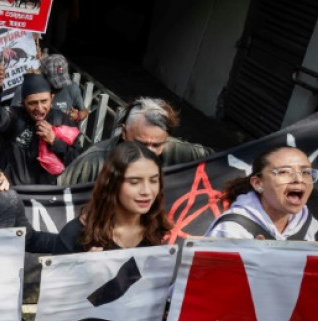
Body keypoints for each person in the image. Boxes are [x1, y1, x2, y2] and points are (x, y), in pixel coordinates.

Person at [59, 97, 214, 186]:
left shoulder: (183, 153)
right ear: (124, 132)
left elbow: (223, 164)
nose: (149, 152)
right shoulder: (93, 162)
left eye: (157, 145)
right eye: (141, 144)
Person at [52, 142, 173, 253]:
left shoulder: (165, 233)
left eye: (153, 181)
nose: (147, 191)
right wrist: (85, 271)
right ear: (113, 184)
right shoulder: (75, 235)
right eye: (134, 182)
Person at [0, 71, 82, 185]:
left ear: (52, 98)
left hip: (51, 194)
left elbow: (77, 161)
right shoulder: (13, 117)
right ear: (22, 103)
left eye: (44, 101)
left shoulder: (62, 121)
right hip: (16, 193)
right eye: (33, 103)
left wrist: (55, 141)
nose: (39, 108)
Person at [206, 146, 318, 241]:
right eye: (284, 172)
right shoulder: (230, 230)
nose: (299, 179)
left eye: (306, 172)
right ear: (258, 183)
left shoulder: (306, 224)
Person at [41, 54, 87, 124]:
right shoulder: (36, 90)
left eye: (62, 79)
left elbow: (85, 111)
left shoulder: (72, 88)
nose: (60, 86)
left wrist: (78, 116)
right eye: (55, 80)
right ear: (44, 76)